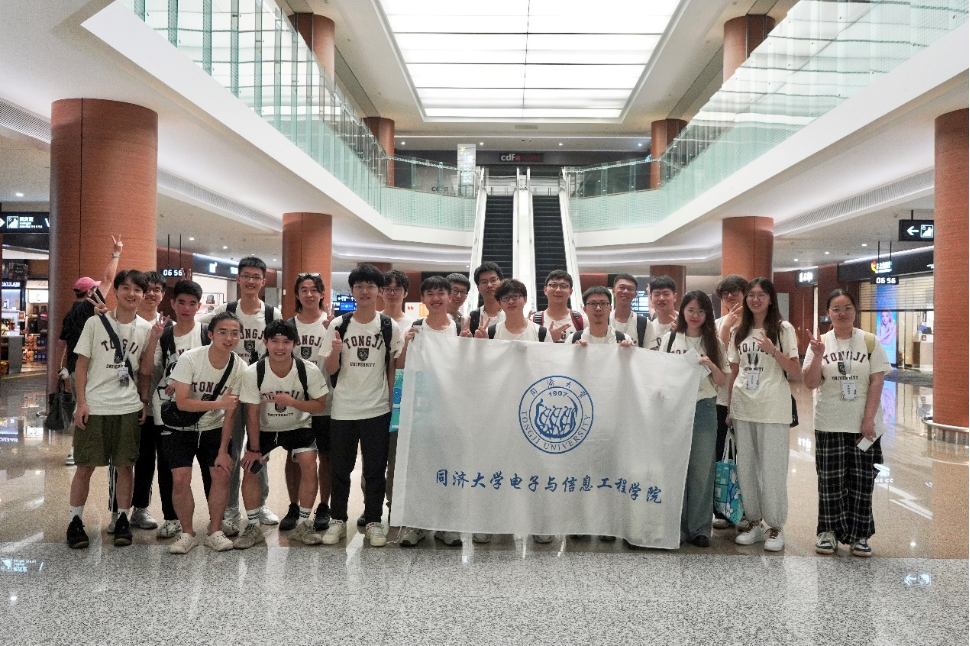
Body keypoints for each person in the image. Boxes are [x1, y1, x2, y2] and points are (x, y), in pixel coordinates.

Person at [66, 270, 153, 549]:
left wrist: (143, 401)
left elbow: (144, 371)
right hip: (95, 405)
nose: (131, 294)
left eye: (137, 289)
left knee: (126, 466)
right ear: (115, 290)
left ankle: (123, 518)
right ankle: (75, 521)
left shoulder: (146, 329)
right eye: (125, 287)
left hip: (127, 406)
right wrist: (81, 403)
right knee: (85, 466)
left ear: (143, 295)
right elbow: (81, 366)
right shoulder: (95, 322)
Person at [803, 289, 891, 557]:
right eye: (836, 309)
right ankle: (828, 532)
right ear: (828, 313)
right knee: (830, 482)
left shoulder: (870, 341)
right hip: (829, 423)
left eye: (847, 308)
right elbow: (810, 383)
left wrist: (868, 419)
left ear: (855, 311)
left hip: (864, 426)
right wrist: (817, 355)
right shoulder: (820, 342)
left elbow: (877, 381)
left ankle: (860, 535)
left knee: (862, 482)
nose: (842, 313)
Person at [321, 263, 403, 548]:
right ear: (352, 290)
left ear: (379, 291)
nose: (365, 291)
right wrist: (335, 351)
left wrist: (392, 404)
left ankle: (373, 521)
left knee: (375, 471)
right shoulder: (339, 325)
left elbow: (393, 367)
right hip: (343, 409)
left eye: (370, 286)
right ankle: (338, 520)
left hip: (377, 409)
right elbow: (330, 369)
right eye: (359, 286)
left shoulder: (389, 326)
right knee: (340, 470)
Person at [202, 256, 282, 531]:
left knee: (259, 449)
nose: (250, 281)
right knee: (231, 450)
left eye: (255, 277)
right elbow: (198, 329)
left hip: (260, 392)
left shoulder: (272, 314)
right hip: (231, 393)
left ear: (263, 281)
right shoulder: (225, 310)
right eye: (246, 276)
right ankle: (231, 508)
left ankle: (260, 505)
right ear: (238, 279)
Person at [235, 320, 329, 549]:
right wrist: (254, 450)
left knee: (309, 462)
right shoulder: (253, 372)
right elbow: (252, 413)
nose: (280, 347)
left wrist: (292, 402)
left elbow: (319, 406)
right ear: (265, 342)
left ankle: (303, 524)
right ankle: (253, 526)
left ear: (295, 344)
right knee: (250, 467)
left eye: (286, 342)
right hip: (265, 429)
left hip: (298, 426)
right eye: (274, 341)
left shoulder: (308, 370)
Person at [476, 278, 553, 544]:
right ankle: (493, 521)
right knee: (496, 465)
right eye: (505, 297)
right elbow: (482, 372)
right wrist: (478, 346)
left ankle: (540, 523)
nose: (511, 301)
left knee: (537, 466)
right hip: (499, 411)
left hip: (533, 412)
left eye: (516, 296)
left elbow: (550, 369)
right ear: (499, 302)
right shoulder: (491, 332)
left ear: (524, 299)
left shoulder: (540, 333)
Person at [727, 278, 801, 552]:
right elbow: (734, 371)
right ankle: (754, 522)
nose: (755, 299)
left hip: (772, 408)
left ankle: (776, 526)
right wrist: (730, 408)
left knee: (772, 469)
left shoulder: (783, 329)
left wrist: (773, 351)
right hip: (744, 407)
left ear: (771, 299)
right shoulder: (738, 330)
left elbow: (796, 371)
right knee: (746, 468)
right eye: (751, 295)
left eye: (761, 295)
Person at [163, 311, 247, 554]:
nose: (229, 338)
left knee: (221, 474)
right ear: (210, 334)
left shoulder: (239, 367)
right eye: (223, 332)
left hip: (214, 428)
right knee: (181, 478)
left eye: (234, 333)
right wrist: (218, 404)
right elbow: (182, 402)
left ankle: (215, 531)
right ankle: (187, 533)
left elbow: (230, 414)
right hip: (180, 429)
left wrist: (223, 450)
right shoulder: (190, 358)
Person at [137, 279, 212, 540]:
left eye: (192, 303)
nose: (186, 308)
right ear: (172, 303)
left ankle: (217, 519)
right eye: (181, 302)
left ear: (199, 306)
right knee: (170, 469)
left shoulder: (206, 333)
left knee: (210, 468)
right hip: (168, 413)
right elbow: (147, 370)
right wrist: (154, 339)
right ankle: (171, 518)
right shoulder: (165, 335)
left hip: (205, 411)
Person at [659, 291, 728, 547]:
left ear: (708, 314)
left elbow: (722, 381)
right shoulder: (670, 339)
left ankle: (699, 528)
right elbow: (659, 375)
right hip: (674, 408)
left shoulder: (714, 342)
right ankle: (675, 526)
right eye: (690, 310)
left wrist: (711, 365)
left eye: (701, 311)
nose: (695, 315)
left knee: (701, 469)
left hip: (704, 408)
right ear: (683, 312)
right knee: (675, 466)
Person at [397, 276, 460, 548]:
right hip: (420, 411)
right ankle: (417, 524)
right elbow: (400, 368)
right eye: (430, 294)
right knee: (419, 467)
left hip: (451, 411)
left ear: (449, 296)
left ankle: (447, 525)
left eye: (441, 293)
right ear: (422, 299)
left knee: (448, 466)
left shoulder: (459, 328)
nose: (436, 298)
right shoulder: (415, 329)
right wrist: (406, 345)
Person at [106, 270, 166, 534]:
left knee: (146, 459)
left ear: (162, 295)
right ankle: (116, 511)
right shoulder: (122, 322)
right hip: (123, 401)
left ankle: (141, 508)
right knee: (120, 460)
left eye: (157, 290)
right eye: (147, 289)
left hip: (153, 405)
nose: (151, 294)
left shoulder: (167, 328)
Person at [56, 236, 124, 466]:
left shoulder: (69, 314)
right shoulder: (88, 307)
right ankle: (75, 450)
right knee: (84, 408)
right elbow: (109, 279)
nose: (100, 290)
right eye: (96, 289)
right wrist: (116, 253)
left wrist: (62, 368)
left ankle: (88, 447)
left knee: (83, 405)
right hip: (88, 369)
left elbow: (62, 344)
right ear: (90, 292)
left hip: (74, 369)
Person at [279, 273, 333, 533]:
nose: (309, 294)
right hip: (296, 404)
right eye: (303, 290)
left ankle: (323, 506)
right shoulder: (288, 325)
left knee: (326, 455)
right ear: (297, 295)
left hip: (326, 402)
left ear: (322, 294)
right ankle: (294, 505)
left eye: (314, 289)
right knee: (294, 457)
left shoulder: (332, 324)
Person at [712, 274, 748, 529]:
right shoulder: (717, 324)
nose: (730, 296)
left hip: (748, 400)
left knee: (746, 458)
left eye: (735, 291)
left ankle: (748, 511)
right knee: (723, 456)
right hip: (721, 400)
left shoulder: (755, 325)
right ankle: (724, 510)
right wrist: (725, 329)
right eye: (725, 294)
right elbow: (716, 358)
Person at [532, 270, 587, 342]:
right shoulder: (533, 321)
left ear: (570, 292)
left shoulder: (583, 320)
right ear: (545, 290)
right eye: (553, 285)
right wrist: (547, 338)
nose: (558, 290)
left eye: (563, 286)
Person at [609, 274, 654, 348]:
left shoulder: (644, 323)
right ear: (614, 291)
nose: (625, 291)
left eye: (630, 289)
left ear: (635, 294)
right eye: (621, 287)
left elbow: (649, 352)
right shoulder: (604, 320)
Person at [463, 261, 505, 336]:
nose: (489, 285)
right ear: (478, 288)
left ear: (501, 282)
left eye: (493, 280)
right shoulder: (472, 318)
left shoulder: (511, 312)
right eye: (484, 282)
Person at [647, 275, 678, 349]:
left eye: (666, 294)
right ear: (651, 298)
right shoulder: (649, 328)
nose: (661, 298)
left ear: (674, 297)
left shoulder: (685, 323)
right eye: (657, 294)